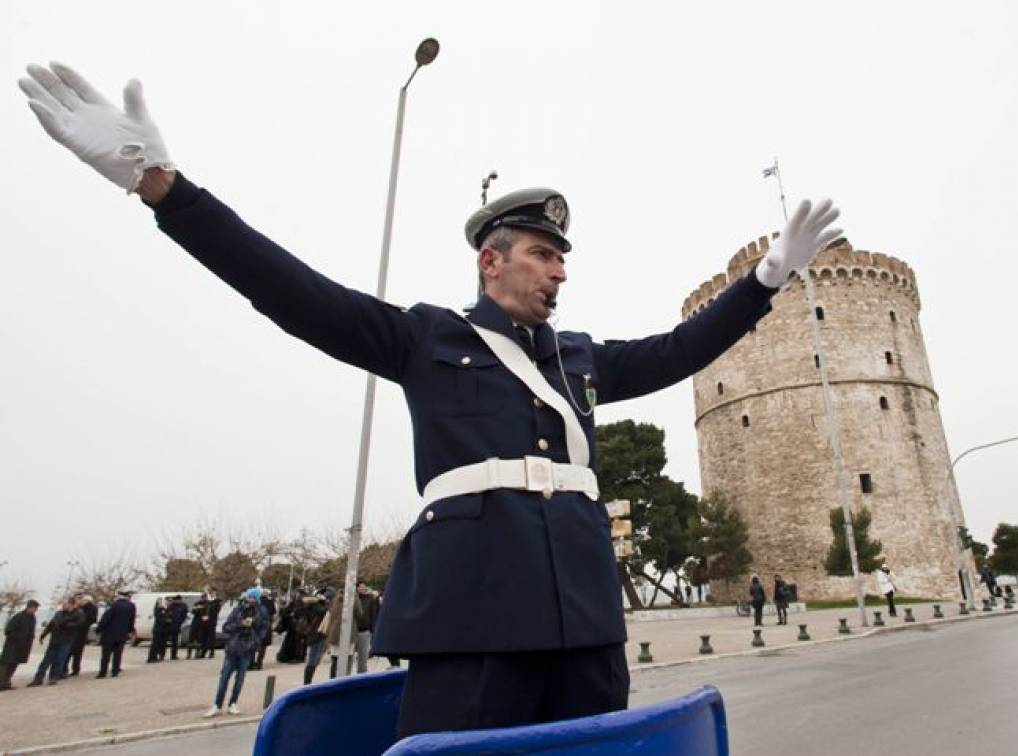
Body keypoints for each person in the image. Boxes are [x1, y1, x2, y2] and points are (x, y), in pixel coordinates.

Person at [17, 62, 843, 738]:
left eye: (564, 258)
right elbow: (287, 288)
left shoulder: (581, 357)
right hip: (470, 620)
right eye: (544, 254)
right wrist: (163, 188)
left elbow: (679, 350)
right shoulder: (423, 338)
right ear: (493, 261)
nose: (561, 271)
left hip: (587, 625)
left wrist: (763, 281)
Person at [204, 587, 269, 718]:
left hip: (247, 648)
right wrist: (240, 624)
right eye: (249, 597)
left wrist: (255, 638)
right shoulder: (237, 610)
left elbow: (264, 629)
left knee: (240, 679)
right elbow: (226, 626)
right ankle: (217, 704)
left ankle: (233, 703)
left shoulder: (262, 612)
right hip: (233, 647)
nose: (250, 599)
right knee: (224, 678)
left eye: (253, 597)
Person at [30, 596, 84, 686]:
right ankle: (38, 678)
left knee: (59, 660)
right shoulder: (59, 613)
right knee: (46, 660)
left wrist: (67, 625)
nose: (63, 605)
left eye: (66, 603)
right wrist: (44, 634)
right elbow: (52, 624)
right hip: (55, 639)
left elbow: (80, 623)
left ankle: (54, 678)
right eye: (63, 603)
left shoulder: (78, 613)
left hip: (66, 640)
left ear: (72, 604)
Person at [95, 589, 136, 678]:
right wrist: (129, 631)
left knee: (106, 654)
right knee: (118, 654)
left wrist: (99, 629)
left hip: (109, 633)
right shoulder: (131, 606)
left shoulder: (113, 605)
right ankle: (115, 671)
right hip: (122, 633)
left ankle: (103, 672)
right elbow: (131, 620)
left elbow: (106, 618)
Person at [0, 599, 40, 691]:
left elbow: (31, 631)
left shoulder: (32, 618)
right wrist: (19, 638)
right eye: (35, 608)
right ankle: (1, 683)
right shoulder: (18, 617)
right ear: (30, 607)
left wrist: (31, 637)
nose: (36, 610)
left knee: (14, 665)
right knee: (6, 665)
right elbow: (8, 631)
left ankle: (6, 683)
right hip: (12, 646)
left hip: (23, 647)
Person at [301, 590, 331, 685]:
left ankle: (307, 681)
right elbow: (323, 611)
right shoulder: (317, 607)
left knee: (314, 659)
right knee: (313, 659)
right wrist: (323, 602)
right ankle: (307, 682)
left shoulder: (309, 606)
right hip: (317, 634)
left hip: (314, 634)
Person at [67, 593, 98, 676]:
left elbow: (89, 620)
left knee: (75, 652)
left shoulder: (90, 609)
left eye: (81, 600)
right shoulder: (79, 608)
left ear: (86, 601)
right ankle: (68, 669)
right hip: (76, 632)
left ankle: (74, 669)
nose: (79, 601)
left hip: (81, 632)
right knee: (71, 651)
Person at [354, 582, 380, 675]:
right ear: (356, 588)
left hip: (365, 631)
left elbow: (375, 613)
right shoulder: (353, 598)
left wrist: (373, 628)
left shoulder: (371, 598)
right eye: (361, 587)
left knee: (362, 658)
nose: (363, 589)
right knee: (347, 657)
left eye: (364, 587)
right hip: (352, 632)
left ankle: (361, 677)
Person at [250, 589, 276, 670]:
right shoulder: (270, 602)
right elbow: (274, 614)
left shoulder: (256, 602)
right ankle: (259, 664)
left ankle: (251, 664)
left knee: (253, 646)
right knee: (263, 647)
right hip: (266, 626)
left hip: (255, 627)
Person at [199, 588, 222, 659]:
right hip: (204, 622)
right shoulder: (206, 601)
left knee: (212, 638)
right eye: (211, 592)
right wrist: (203, 615)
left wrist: (210, 616)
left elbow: (217, 611)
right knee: (204, 638)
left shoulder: (217, 601)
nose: (212, 594)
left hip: (212, 621)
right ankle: (203, 652)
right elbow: (202, 609)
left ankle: (211, 652)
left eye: (213, 593)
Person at [147, 597, 171, 662]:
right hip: (158, 629)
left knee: (159, 644)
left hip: (163, 630)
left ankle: (155, 657)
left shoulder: (164, 609)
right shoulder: (158, 609)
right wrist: (166, 621)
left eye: (161, 601)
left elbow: (167, 616)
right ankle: (151, 658)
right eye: (159, 602)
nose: (161, 603)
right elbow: (160, 619)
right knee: (155, 645)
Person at [166, 594, 189, 661]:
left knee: (175, 641)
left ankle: (174, 655)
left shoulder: (183, 606)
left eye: (179, 600)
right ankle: (161, 654)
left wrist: (181, 621)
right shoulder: (171, 606)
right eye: (176, 600)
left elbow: (184, 615)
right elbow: (167, 614)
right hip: (169, 626)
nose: (178, 601)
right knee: (164, 641)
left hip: (177, 626)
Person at [186, 593, 207, 659]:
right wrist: (198, 608)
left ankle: (197, 653)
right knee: (191, 639)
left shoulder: (207, 604)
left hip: (202, 624)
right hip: (195, 622)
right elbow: (193, 611)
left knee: (199, 639)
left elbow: (206, 614)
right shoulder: (196, 603)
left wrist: (202, 611)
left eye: (204, 597)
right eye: (202, 597)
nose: (203, 598)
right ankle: (189, 654)